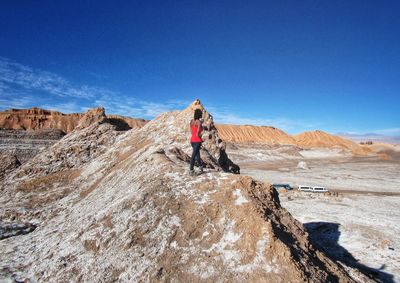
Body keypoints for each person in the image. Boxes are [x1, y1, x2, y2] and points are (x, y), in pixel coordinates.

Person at [189, 109, 204, 175]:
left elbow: (192, 132)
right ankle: (191, 170)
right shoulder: (199, 122)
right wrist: (203, 132)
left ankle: (201, 168)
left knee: (197, 155)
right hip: (197, 141)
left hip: (192, 140)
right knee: (194, 155)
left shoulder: (191, 121)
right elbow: (198, 134)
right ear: (199, 114)